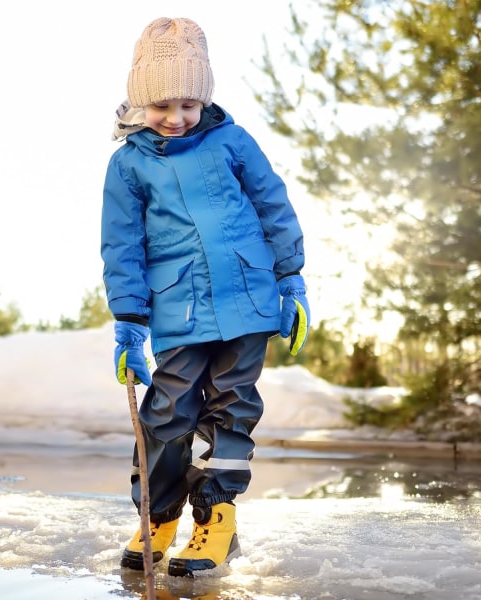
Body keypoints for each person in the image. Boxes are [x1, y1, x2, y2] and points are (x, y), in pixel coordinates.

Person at [101, 16, 310, 578]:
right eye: (163, 105)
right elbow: (122, 245)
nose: (176, 117)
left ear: (205, 99)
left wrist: (291, 278)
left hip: (249, 297)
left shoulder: (233, 140)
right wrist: (129, 320)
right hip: (179, 309)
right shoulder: (129, 165)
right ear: (140, 101)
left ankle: (217, 517)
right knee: (167, 412)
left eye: (189, 104)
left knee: (231, 408)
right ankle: (160, 513)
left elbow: (273, 205)